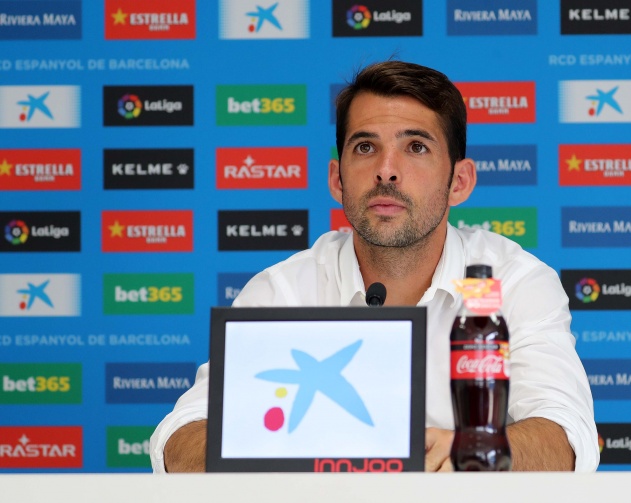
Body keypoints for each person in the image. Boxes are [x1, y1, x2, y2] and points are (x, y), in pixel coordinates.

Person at [150, 60, 599, 473]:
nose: (386, 170)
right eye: (365, 147)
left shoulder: (514, 282)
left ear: (459, 182)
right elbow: (179, 440)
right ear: (337, 179)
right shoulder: (284, 290)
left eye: (416, 147)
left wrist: (473, 451)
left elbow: (566, 439)